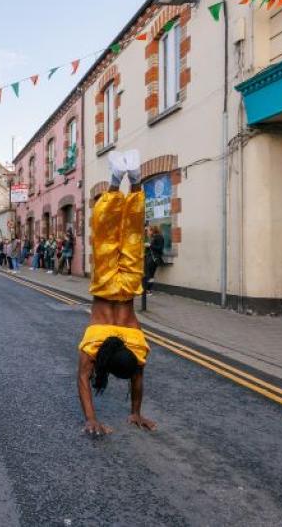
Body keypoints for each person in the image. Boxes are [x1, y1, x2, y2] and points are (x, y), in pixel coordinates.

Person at [77, 149, 156, 436]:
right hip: (106, 287)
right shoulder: (95, 343)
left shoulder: (135, 341)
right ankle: (114, 181)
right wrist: (92, 419)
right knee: (105, 236)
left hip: (129, 288)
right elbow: (83, 379)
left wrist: (136, 410)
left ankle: (133, 181)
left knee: (132, 239)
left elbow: (137, 375)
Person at [144, 225, 164, 295]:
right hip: (149, 258)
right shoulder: (153, 238)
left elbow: (160, 248)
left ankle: (148, 290)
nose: (147, 232)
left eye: (148, 230)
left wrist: (150, 245)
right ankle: (148, 289)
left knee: (150, 275)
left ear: (152, 231)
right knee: (149, 274)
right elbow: (151, 249)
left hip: (153, 259)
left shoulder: (159, 237)